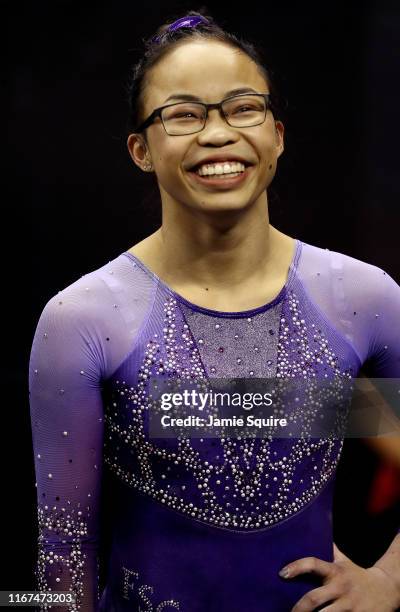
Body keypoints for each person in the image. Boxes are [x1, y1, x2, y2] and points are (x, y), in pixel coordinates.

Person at [29, 9, 400, 612]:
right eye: (183, 115)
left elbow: (259, 410)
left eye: (242, 107)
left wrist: (391, 579)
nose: (218, 133)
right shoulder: (83, 320)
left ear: (277, 134)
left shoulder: (364, 299)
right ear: (140, 150)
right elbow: (62, 558)